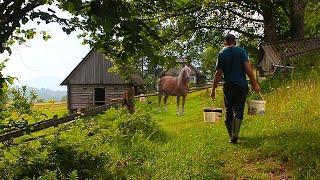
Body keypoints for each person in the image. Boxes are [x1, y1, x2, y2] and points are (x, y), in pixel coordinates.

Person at [210, 34, 260, 144]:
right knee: (239, 110)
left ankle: (232, 136)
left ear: (225, 42)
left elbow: (218, 73)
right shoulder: (241, 51)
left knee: (228, 110)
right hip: (241, 86)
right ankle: (235, 135)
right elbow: (248, 69)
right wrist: (255, 84)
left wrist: (213, 89)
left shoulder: (222, 53)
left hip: (228, 87)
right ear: (235, 41)